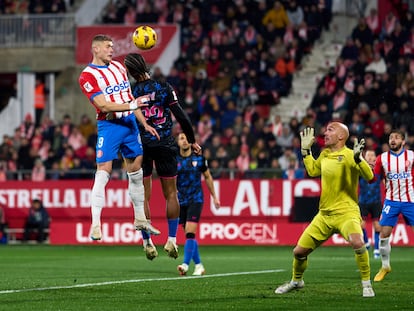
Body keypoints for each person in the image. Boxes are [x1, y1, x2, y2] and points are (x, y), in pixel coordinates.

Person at [275, 122, 375, 297]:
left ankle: (366, 284)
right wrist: (305, 152)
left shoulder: (352, 154)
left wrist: (360, 160)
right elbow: (313, 171)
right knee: (298, 252)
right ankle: (296, 281)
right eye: (326, 129)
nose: (325, 132)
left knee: (358, 242)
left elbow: (370, 176)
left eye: (330, 129)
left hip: (347, 213)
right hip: (324, 215)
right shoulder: (325, 154)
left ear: (341, 136)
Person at [78, 34, 161, 241]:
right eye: (107, 46)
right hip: (110, 125)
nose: (112, 50)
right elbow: (103, 105)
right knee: (103, 171)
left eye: (112, 46)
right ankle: (96, 224)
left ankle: (140, 218)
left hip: (130, 124)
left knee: (136, 172)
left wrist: (144, 123)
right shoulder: (87, 76)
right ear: (95, 49)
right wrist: (133, 106)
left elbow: (129, 97)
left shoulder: (118, 67)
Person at [124, 53, 201, 260]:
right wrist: (192, 140)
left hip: (141, 146)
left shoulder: (129, 92)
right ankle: (172, 240)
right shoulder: (164, 88)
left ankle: (147, 243)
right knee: (171, 194)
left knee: (143, 196)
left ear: (130, 72)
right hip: (165, 143)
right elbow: (181, 117)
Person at [176, 132, 220, 276]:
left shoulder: (199, 158)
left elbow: (207, 176)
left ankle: (185, 264)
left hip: (196, 199)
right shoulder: (174, 159)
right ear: (177, 142)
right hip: (181, 200)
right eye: (181, 138)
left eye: (187, 138)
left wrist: (214, 196)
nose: (184, 141)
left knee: (189, 231)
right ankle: (199, 265)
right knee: (189, 235)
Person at [373, 129, 414, 282]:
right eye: (391, 137)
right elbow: (372, 179)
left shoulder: (411, 156)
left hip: (411, 201)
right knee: (383, 234)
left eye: (396, 138)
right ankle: (385, 266)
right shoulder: (382, 158)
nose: (393, 140)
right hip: (391, 201)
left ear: (403, 141)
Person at [358, 149, 382, 259]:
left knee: (377, 227)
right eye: (368, 155)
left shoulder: (379, 170)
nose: (371, 157)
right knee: (361, 225)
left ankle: (377, 250)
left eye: (373, 155)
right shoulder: (360, 169)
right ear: (365, 157)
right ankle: (367, 243)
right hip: (363, 201)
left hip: (376, 202)